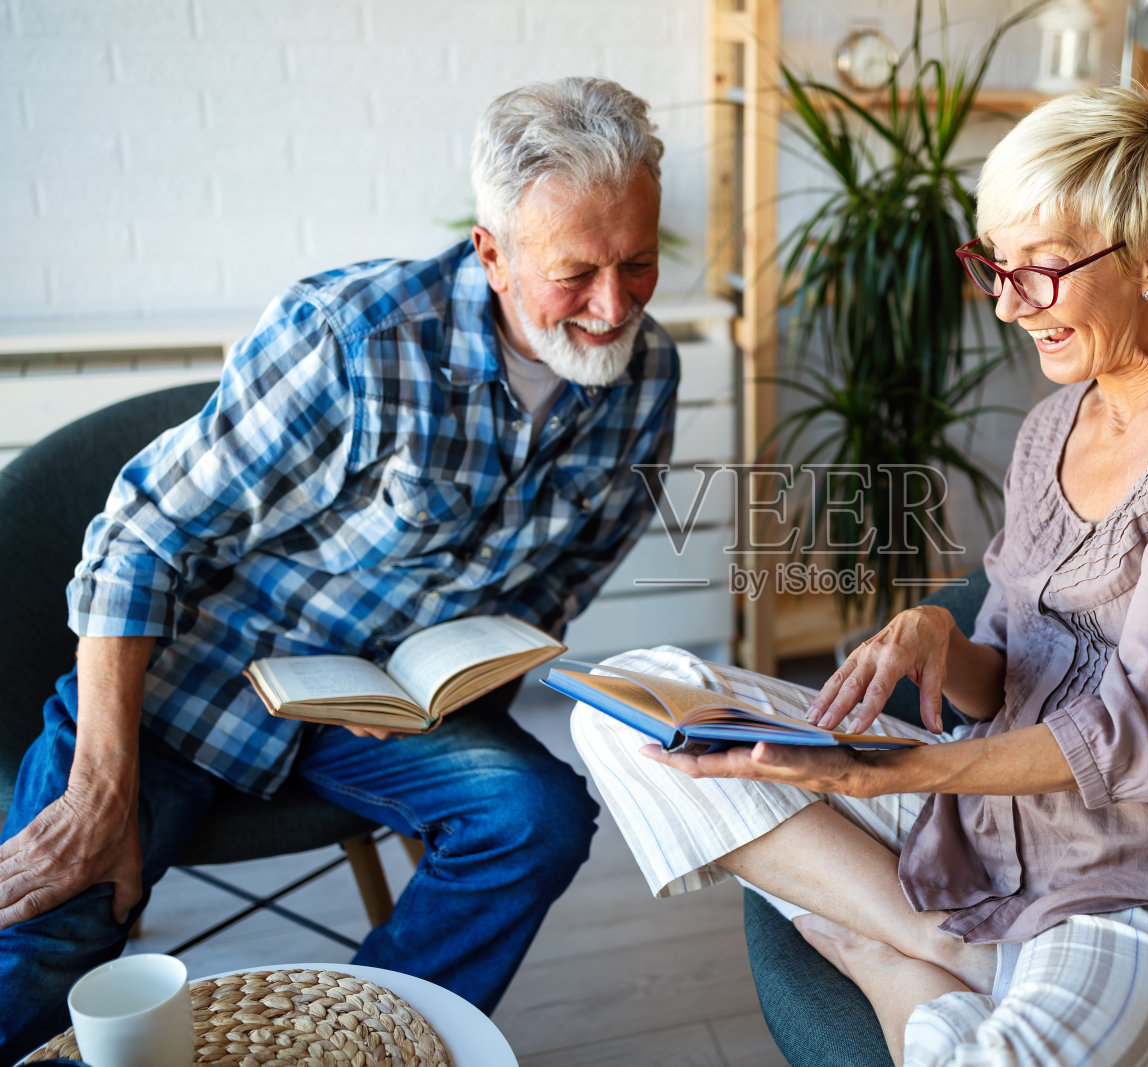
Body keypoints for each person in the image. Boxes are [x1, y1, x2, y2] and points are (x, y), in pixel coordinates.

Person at [569, 86, 1148, 1067]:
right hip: (987, 829)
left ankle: (882, 948)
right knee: (621, 698)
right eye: (993, 265)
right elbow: (1016, 674)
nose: (1006, 302)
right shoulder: (1054, 425)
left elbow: (1142, 737)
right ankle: (944, 940)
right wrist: (947, 644)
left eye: (1042, 271)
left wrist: (882, 767)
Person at [0, 76, 677, 1058]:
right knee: (50, 931)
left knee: (535, 816)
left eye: (640, 263)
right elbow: (138, 537)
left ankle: (353, 1039)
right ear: (492, 251)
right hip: (182, 691)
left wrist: (462, 673)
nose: (614, 307)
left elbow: (562, 577)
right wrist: (102, 788)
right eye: (577, 272)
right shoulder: (352, 338)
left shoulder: (645, 380)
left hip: (384, 717)